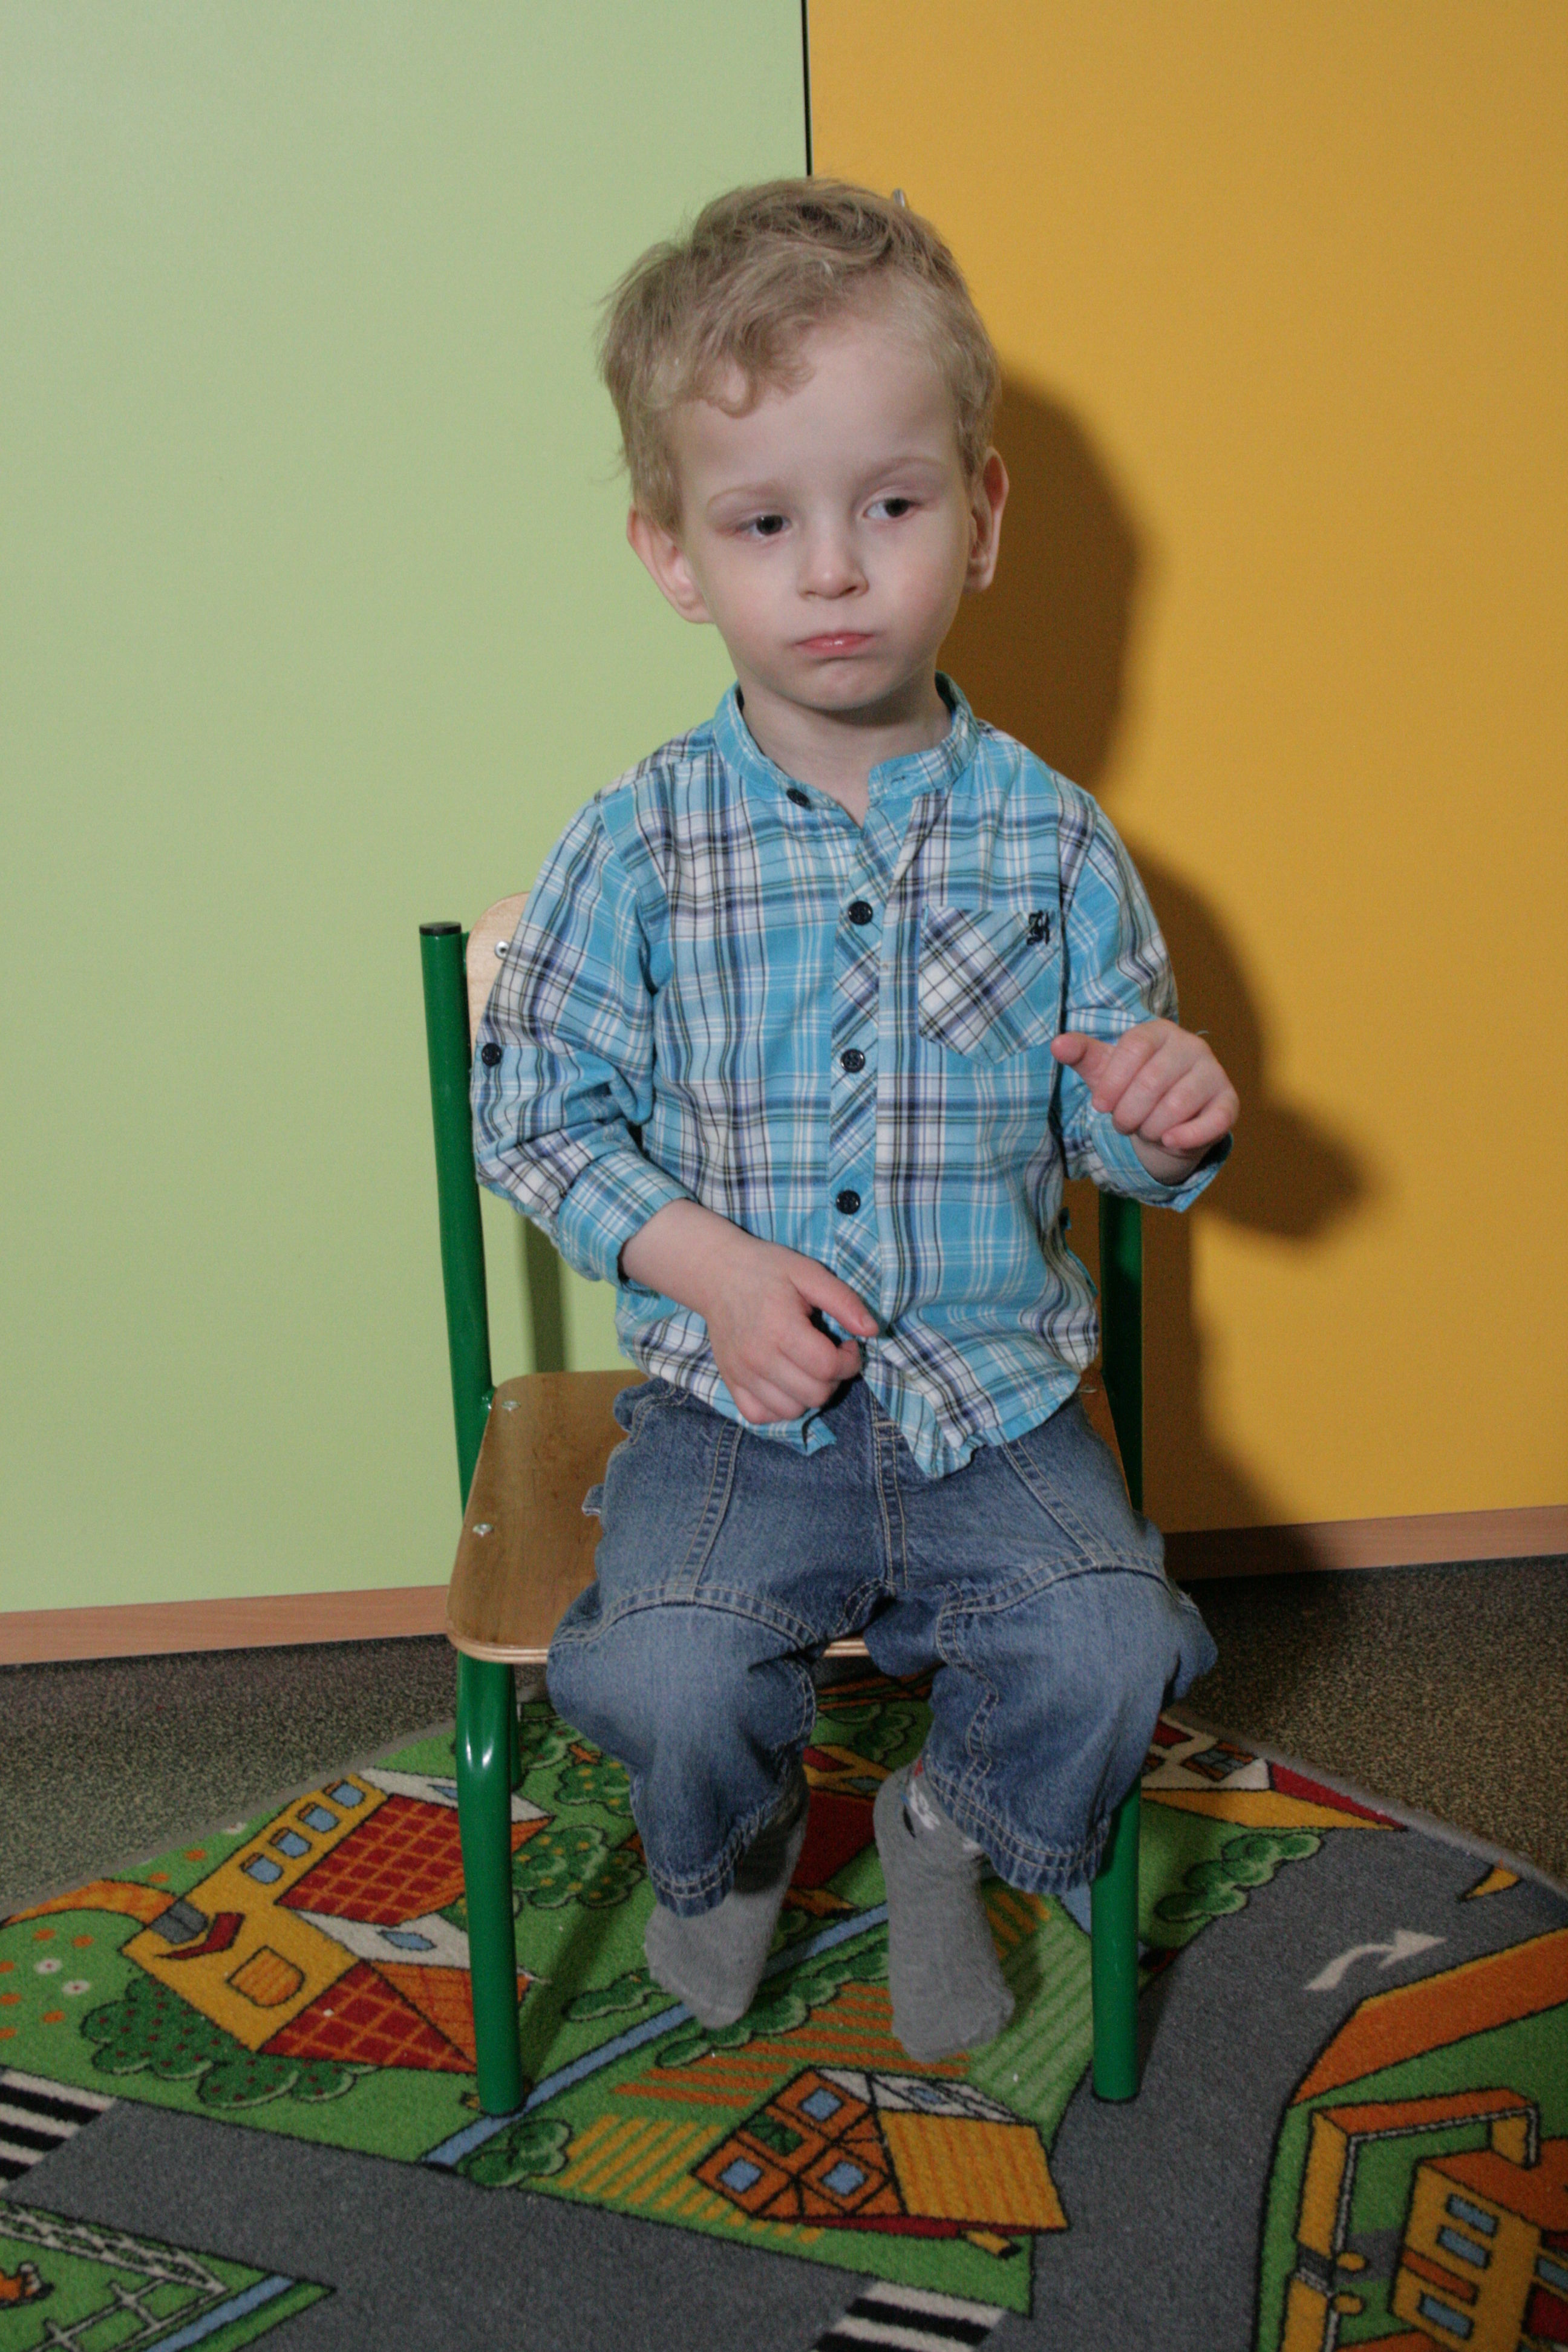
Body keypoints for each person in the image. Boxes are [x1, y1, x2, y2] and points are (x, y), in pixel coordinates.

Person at [473, 180, 1236, 2062]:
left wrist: (1165, 1119)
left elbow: (1118, 1141)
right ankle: (731, 1849)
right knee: (664, 1672)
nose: (831, 571)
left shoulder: (1052, 839)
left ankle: (943, 1828)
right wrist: (712, 1269)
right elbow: (536, 1114)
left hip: (995, 1397)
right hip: (735, 1415)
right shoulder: (638, 841)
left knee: (1118, 1648)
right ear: (675, 554)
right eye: (764, 523)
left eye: (889, 507)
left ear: (982, 516)